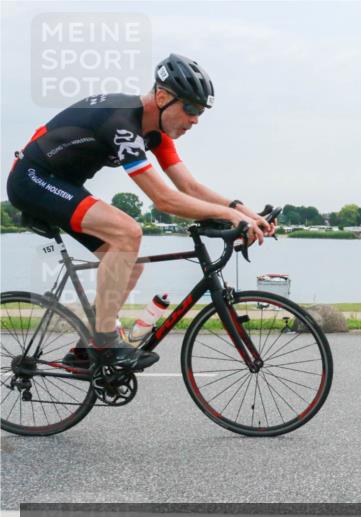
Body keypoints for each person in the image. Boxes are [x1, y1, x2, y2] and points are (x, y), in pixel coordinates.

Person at [6, 54, 274, 369]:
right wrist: (231, 217)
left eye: (200, 112)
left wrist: (242, 211)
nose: (195, 120)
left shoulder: (155, 132)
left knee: (130, 266)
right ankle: (104, 343)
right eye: (190, 109)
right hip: (32, 179)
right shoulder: (121, 123)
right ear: (161, 97)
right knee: (128, 232)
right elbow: (164, 200)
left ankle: (84, 350)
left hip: (62, 184)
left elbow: (188, 186)